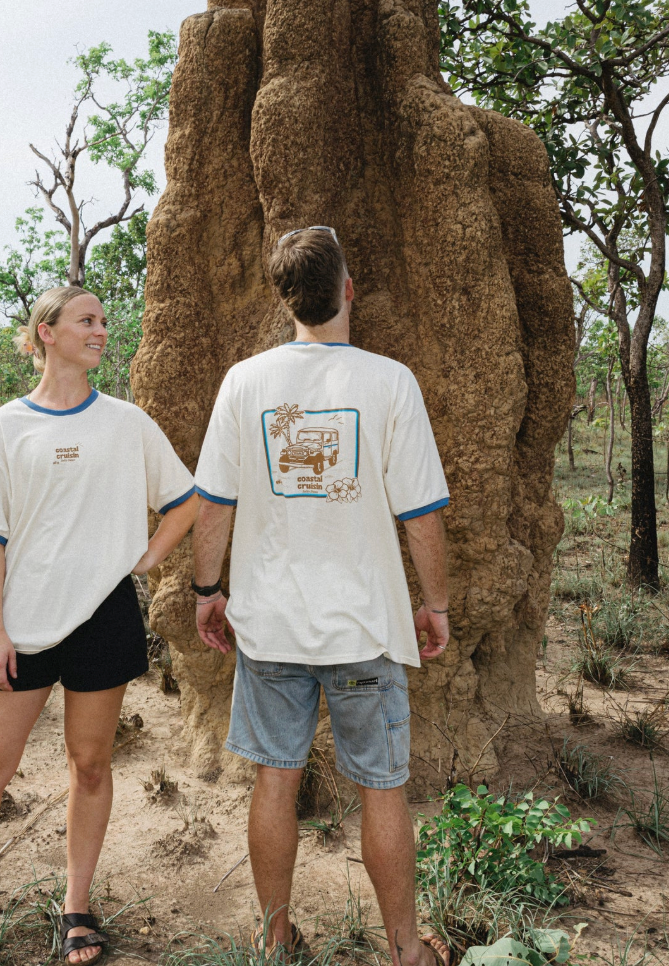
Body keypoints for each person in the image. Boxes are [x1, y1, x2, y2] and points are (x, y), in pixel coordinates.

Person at [0, 286, 198, 966]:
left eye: (105, 320)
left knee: (90, 765)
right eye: (87, 320)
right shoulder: (6, 428)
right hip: (20, 623)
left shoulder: (127, 423)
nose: (102, 330)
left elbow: (185, 499)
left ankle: (77, 909)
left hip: (104, 616)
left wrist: (146, 559)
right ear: (46, 332)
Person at [192, 227, 453, 966]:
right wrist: (434, 605)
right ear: (346, 289)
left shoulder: (246, 382)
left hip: (270, 626)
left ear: (286, 301)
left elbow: (216, 501)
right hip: (365, 626)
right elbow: (421, 513)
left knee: (275, 780)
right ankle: (406, 950)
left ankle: (275, 940)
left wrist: (208, 591)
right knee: (381, 789)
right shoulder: (389, 381)